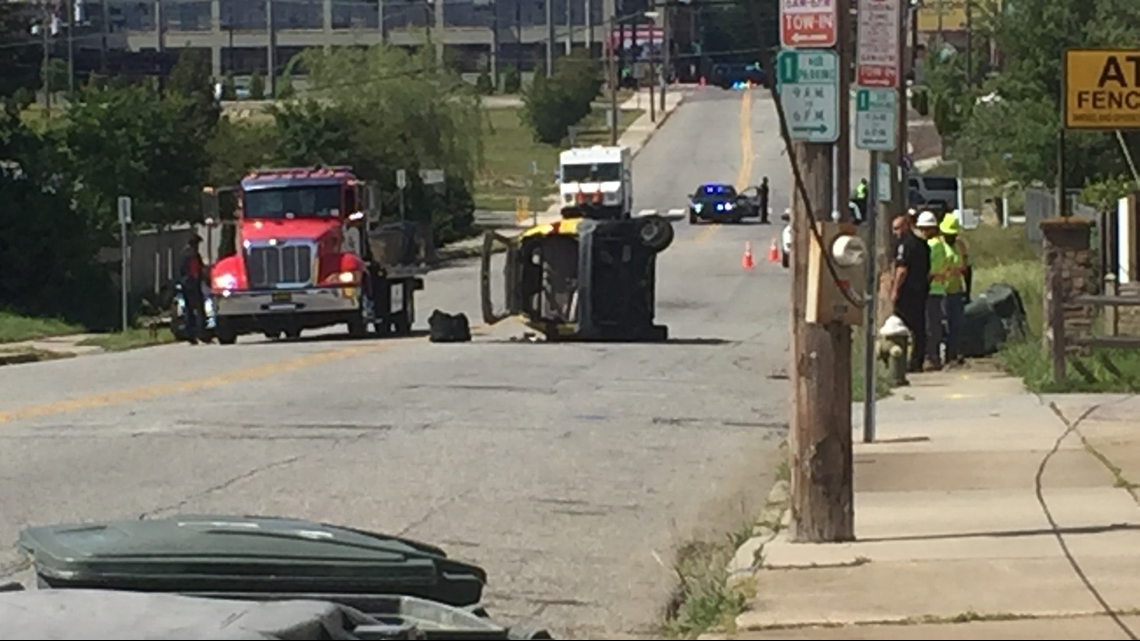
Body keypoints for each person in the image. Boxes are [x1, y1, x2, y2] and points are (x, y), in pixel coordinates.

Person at [891, 212, 932, 373]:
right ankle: (917, 361)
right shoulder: (923, 244)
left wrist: (894, 290)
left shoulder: (904, 244)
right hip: (921, 290)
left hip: (907, 291)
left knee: (900, 325)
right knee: (919, 328)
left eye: (897, 228)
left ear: (906, 226)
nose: (895, 232)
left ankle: (900, 361)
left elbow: (902, 269)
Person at [931, 214, 969, 366]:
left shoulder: (958, 246)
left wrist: (966, 290)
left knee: (956, 324)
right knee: (942, 324)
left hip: (956, 290)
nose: (951, 237)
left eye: (953, 234)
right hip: (941, 290)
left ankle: (952, 354)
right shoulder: (937, 245)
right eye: (948, 234)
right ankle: (941, 355)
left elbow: (966, 268)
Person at [915, 211, 945, 370]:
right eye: (922, 228)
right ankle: (933, 356)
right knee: (933, 325)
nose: (923, 232)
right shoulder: (939, 244)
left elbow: (930, 270)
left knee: (931, 326)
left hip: (932, 289)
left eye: (926, 229)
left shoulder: (933, 246)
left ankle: (932, 357)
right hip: (936, 289)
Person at [179, 233, 207, 345]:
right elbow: (195, 270)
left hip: (184, 284)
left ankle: (190, 334)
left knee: (189, 310)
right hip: (193, 284)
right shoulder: (193, 255)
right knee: (199, 309)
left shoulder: (182, 254)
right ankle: (202, 334)